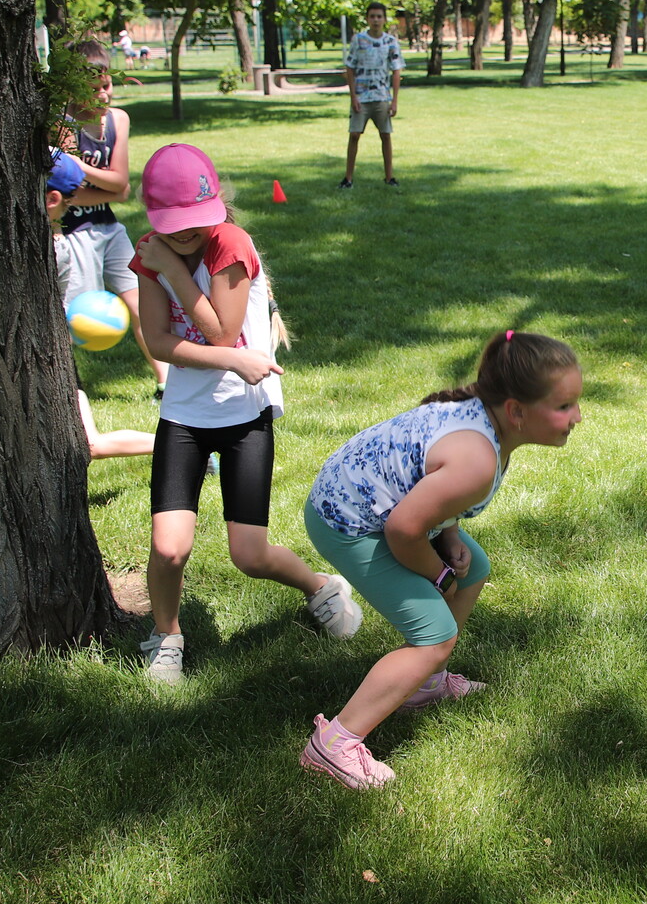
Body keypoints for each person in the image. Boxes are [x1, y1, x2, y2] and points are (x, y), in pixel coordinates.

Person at [299, 330, 583, 790]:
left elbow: (429, 482)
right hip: (347, 522)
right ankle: (334, 745)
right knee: (434, 635)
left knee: (478, 568)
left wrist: (449, 535)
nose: (577, 417)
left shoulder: (484, 420)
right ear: (516, 411)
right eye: (564, 406)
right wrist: (440, 573)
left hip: (374, 507)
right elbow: (403, 531)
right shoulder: (477, 460)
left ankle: (425, 685)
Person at [130, 143, 361, 684]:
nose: (185, 235)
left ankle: (321, 587)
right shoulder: (150, 254)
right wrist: (230, 359)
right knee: (168, 548)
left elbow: (220, 329)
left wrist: (174, 271)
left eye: (195, 222)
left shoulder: (231, 243)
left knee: (249, 555)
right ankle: (166, 638)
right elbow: (160, 342)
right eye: (174, 226)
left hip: (244, 417)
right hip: (183, 417)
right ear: (153, 215)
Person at [55, 39, 168, 393]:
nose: (103, 95)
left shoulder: (118, 120)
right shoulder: (59, 124)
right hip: (72, 234)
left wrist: (74, 165)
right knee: (76, 317)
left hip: (108, 227)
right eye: (93, 89)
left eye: (106, 86)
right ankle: (66, 390)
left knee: (142, 305)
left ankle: (165, 383)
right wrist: (78, 183)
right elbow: (60, 195)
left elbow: (120, 187)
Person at [47, 152, 154, 461]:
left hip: (55, 367)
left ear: (52, 199)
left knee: (90, 445)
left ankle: (187, 445)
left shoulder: (56, 254)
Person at [340, 1, 405, 189]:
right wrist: (353, 97)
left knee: (385, 135)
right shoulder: (359, 40)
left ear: (384, 19)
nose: (376, 20)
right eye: (372, 16)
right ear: (367, 19)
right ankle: (348, 178)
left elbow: (396, 70)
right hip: (362, 97)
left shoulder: (390, 42)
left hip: (382, 97)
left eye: (379, 16)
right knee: (354, 135)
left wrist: (394, 100)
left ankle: (389, 177)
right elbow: (350, 67)